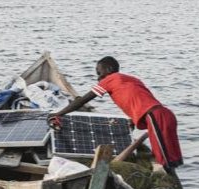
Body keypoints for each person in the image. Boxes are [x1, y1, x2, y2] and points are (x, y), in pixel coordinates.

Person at [48, 56, 183, 172]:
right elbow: (140, 99)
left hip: (156, 117)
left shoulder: (110, 79)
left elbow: (83, 100)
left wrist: (59, 113)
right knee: (170, 157)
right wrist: (133, 120)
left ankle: (162, 177)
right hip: (164, 114)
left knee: (163, 160)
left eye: (99, 72)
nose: (98, 77)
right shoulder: (132, 79)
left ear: (109, 70)